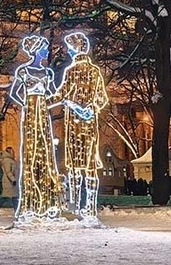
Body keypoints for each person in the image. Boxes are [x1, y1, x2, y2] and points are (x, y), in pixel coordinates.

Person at [53, 32, 107, 217]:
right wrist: (92, 108)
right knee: (90, 166)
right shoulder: (94, 72)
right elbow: (102, 98)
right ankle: (90, 207)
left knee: (75, 166)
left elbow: (61, 95)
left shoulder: (72, 71)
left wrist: (41, 101)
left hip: (74, 125)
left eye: (70, 48)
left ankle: (75, 205)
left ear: (77, 49)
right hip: (89, 123)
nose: (68, 51)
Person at [9, 35, 62, 221]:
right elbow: (15, 92)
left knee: (45, 150)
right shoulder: (24, 71)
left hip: (43, 110)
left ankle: (47, 201)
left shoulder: (47, 73)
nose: (47, 51)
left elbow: (53, 93)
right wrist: (26, 103)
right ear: (37, 50)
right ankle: (31, 202)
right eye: (44, 48)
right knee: (31, 152)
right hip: (31, 110)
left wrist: (55, 100)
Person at [0, 146, 20, 215]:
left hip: (10, 181)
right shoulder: (7, 160)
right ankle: (17, 212)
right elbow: (8, 171)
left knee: (9, 196)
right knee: (13, 197)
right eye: (12, 151)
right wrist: (13, 179)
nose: (13, 152)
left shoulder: (10, 160)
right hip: (9, 181)